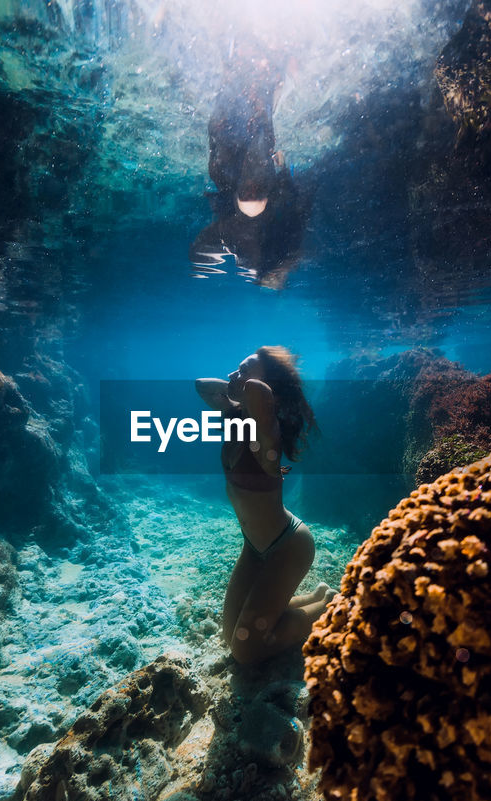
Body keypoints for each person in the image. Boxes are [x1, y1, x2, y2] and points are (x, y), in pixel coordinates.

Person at [195, 346, 328, 664]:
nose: (232, 375)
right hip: (255, 548)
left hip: (288, 547)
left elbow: (260, 394)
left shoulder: (268, 436)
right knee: (231, 635)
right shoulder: (237, 420)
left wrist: (250, 382)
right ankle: (317, 596)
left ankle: (331, 606)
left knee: (246, 649)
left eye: (241, 370)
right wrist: (238, 383)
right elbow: (202, 385)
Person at [190, 46, 308, 290]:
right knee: (250, 121)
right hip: (247, 198)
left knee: (236, 121)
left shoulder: (238, 232)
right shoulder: (254, 233)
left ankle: (252, 70)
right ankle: (265, 72)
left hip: (241, 195)